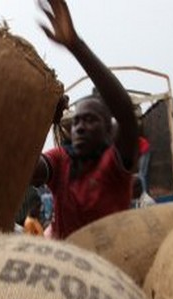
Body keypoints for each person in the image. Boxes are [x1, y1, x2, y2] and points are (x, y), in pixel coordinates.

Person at [31, 0, 138, 239]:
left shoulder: (114, 165)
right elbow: (28, 168)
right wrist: (39, 117)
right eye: (77, 121)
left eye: (90, 120)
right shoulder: (61, 161)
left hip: (109, 261)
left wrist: (76, 46)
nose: (80, 127)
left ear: (109, 130)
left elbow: (127, 117)